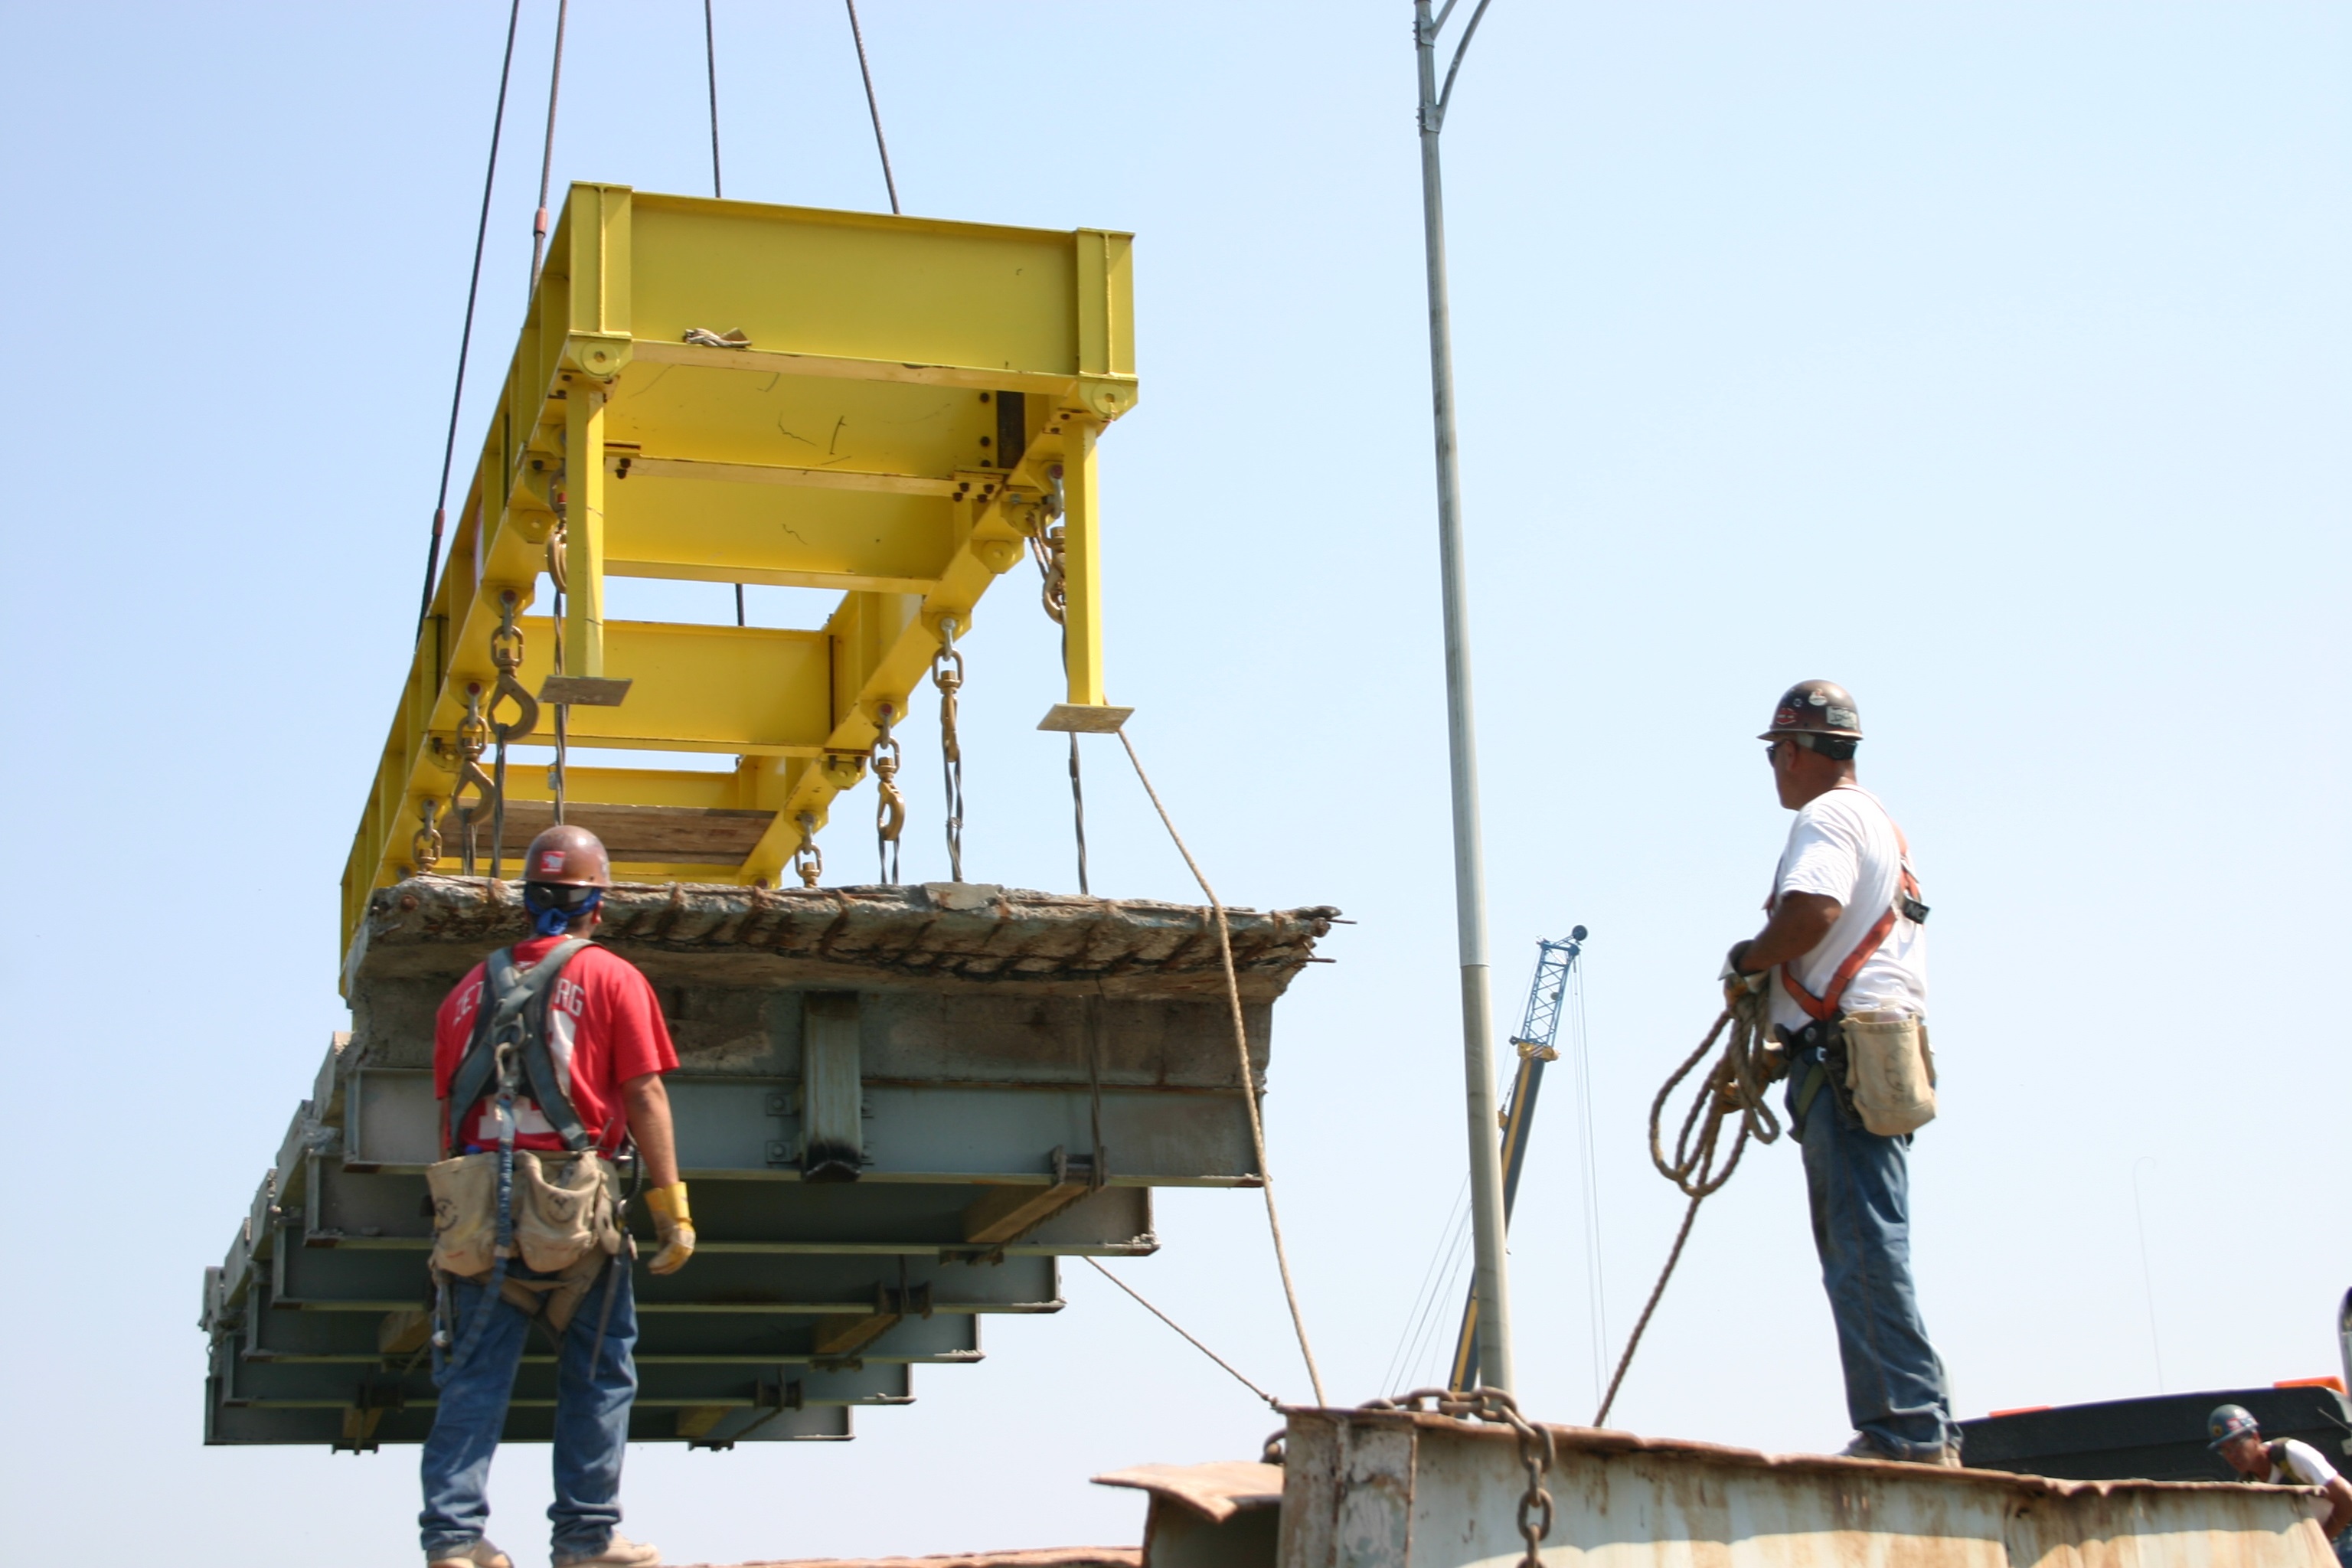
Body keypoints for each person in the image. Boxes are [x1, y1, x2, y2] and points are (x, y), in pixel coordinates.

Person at [420, 825, 697, 1568]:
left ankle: (452, 1540)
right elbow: (643, 1091)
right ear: (595, 906)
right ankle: (586, 1535)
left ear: (526, 902)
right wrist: (672, 1204)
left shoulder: (463, 993)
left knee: (474, 1372)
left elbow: (447, 1111)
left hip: (478, 1199)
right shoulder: (612, 978)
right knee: (601, 1368)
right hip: (574, 1206)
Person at [1723, 681, 1957, 1465]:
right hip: (1869, 1051)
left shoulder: (1824, 817)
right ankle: (1918, 1421)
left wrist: (1748, 958)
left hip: (1842, 1058)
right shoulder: (1881, 822)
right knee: (1872, 1241)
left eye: (1775, 755)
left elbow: (1812, 912)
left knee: (1861, 1247)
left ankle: (1908, 1430)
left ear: (1791, 752)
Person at [2211, 1404, 2352, 1563]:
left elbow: (2347, 1498)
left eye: (2237, 1443)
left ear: (2255, 1437)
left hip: (2344, 1540)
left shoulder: (2291, 1453)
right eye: (2225, 1450)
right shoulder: (2247, 1486)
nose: (2233, 1455)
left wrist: (2318, 1542)